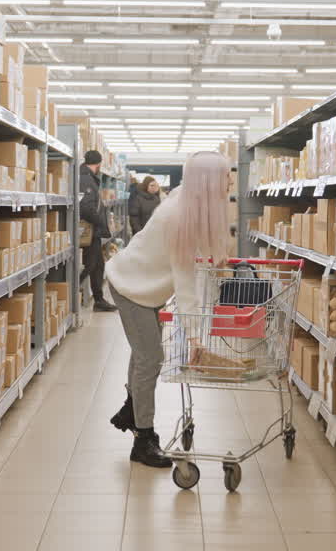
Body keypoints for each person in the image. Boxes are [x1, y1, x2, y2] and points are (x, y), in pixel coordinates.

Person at [105, 151, 231, 468]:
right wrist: (194, 338)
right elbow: (185, 280)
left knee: (143, 354)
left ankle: (131, 409)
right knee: (151, 358)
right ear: (208, 181)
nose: (229, 181)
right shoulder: (178, 215)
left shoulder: (185, 202)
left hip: (144, 288)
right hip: (130, 287)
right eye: (226, 175)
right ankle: (143, 439)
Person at [78, 149, 117, 312]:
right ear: (99, 163)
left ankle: (99, 300)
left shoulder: (88, 177)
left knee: (97, 265)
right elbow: (86, 208)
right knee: (88, 266)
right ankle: (70, 294)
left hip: (92, 232)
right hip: (89, 232)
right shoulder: (87, 179)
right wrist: (101, 222)